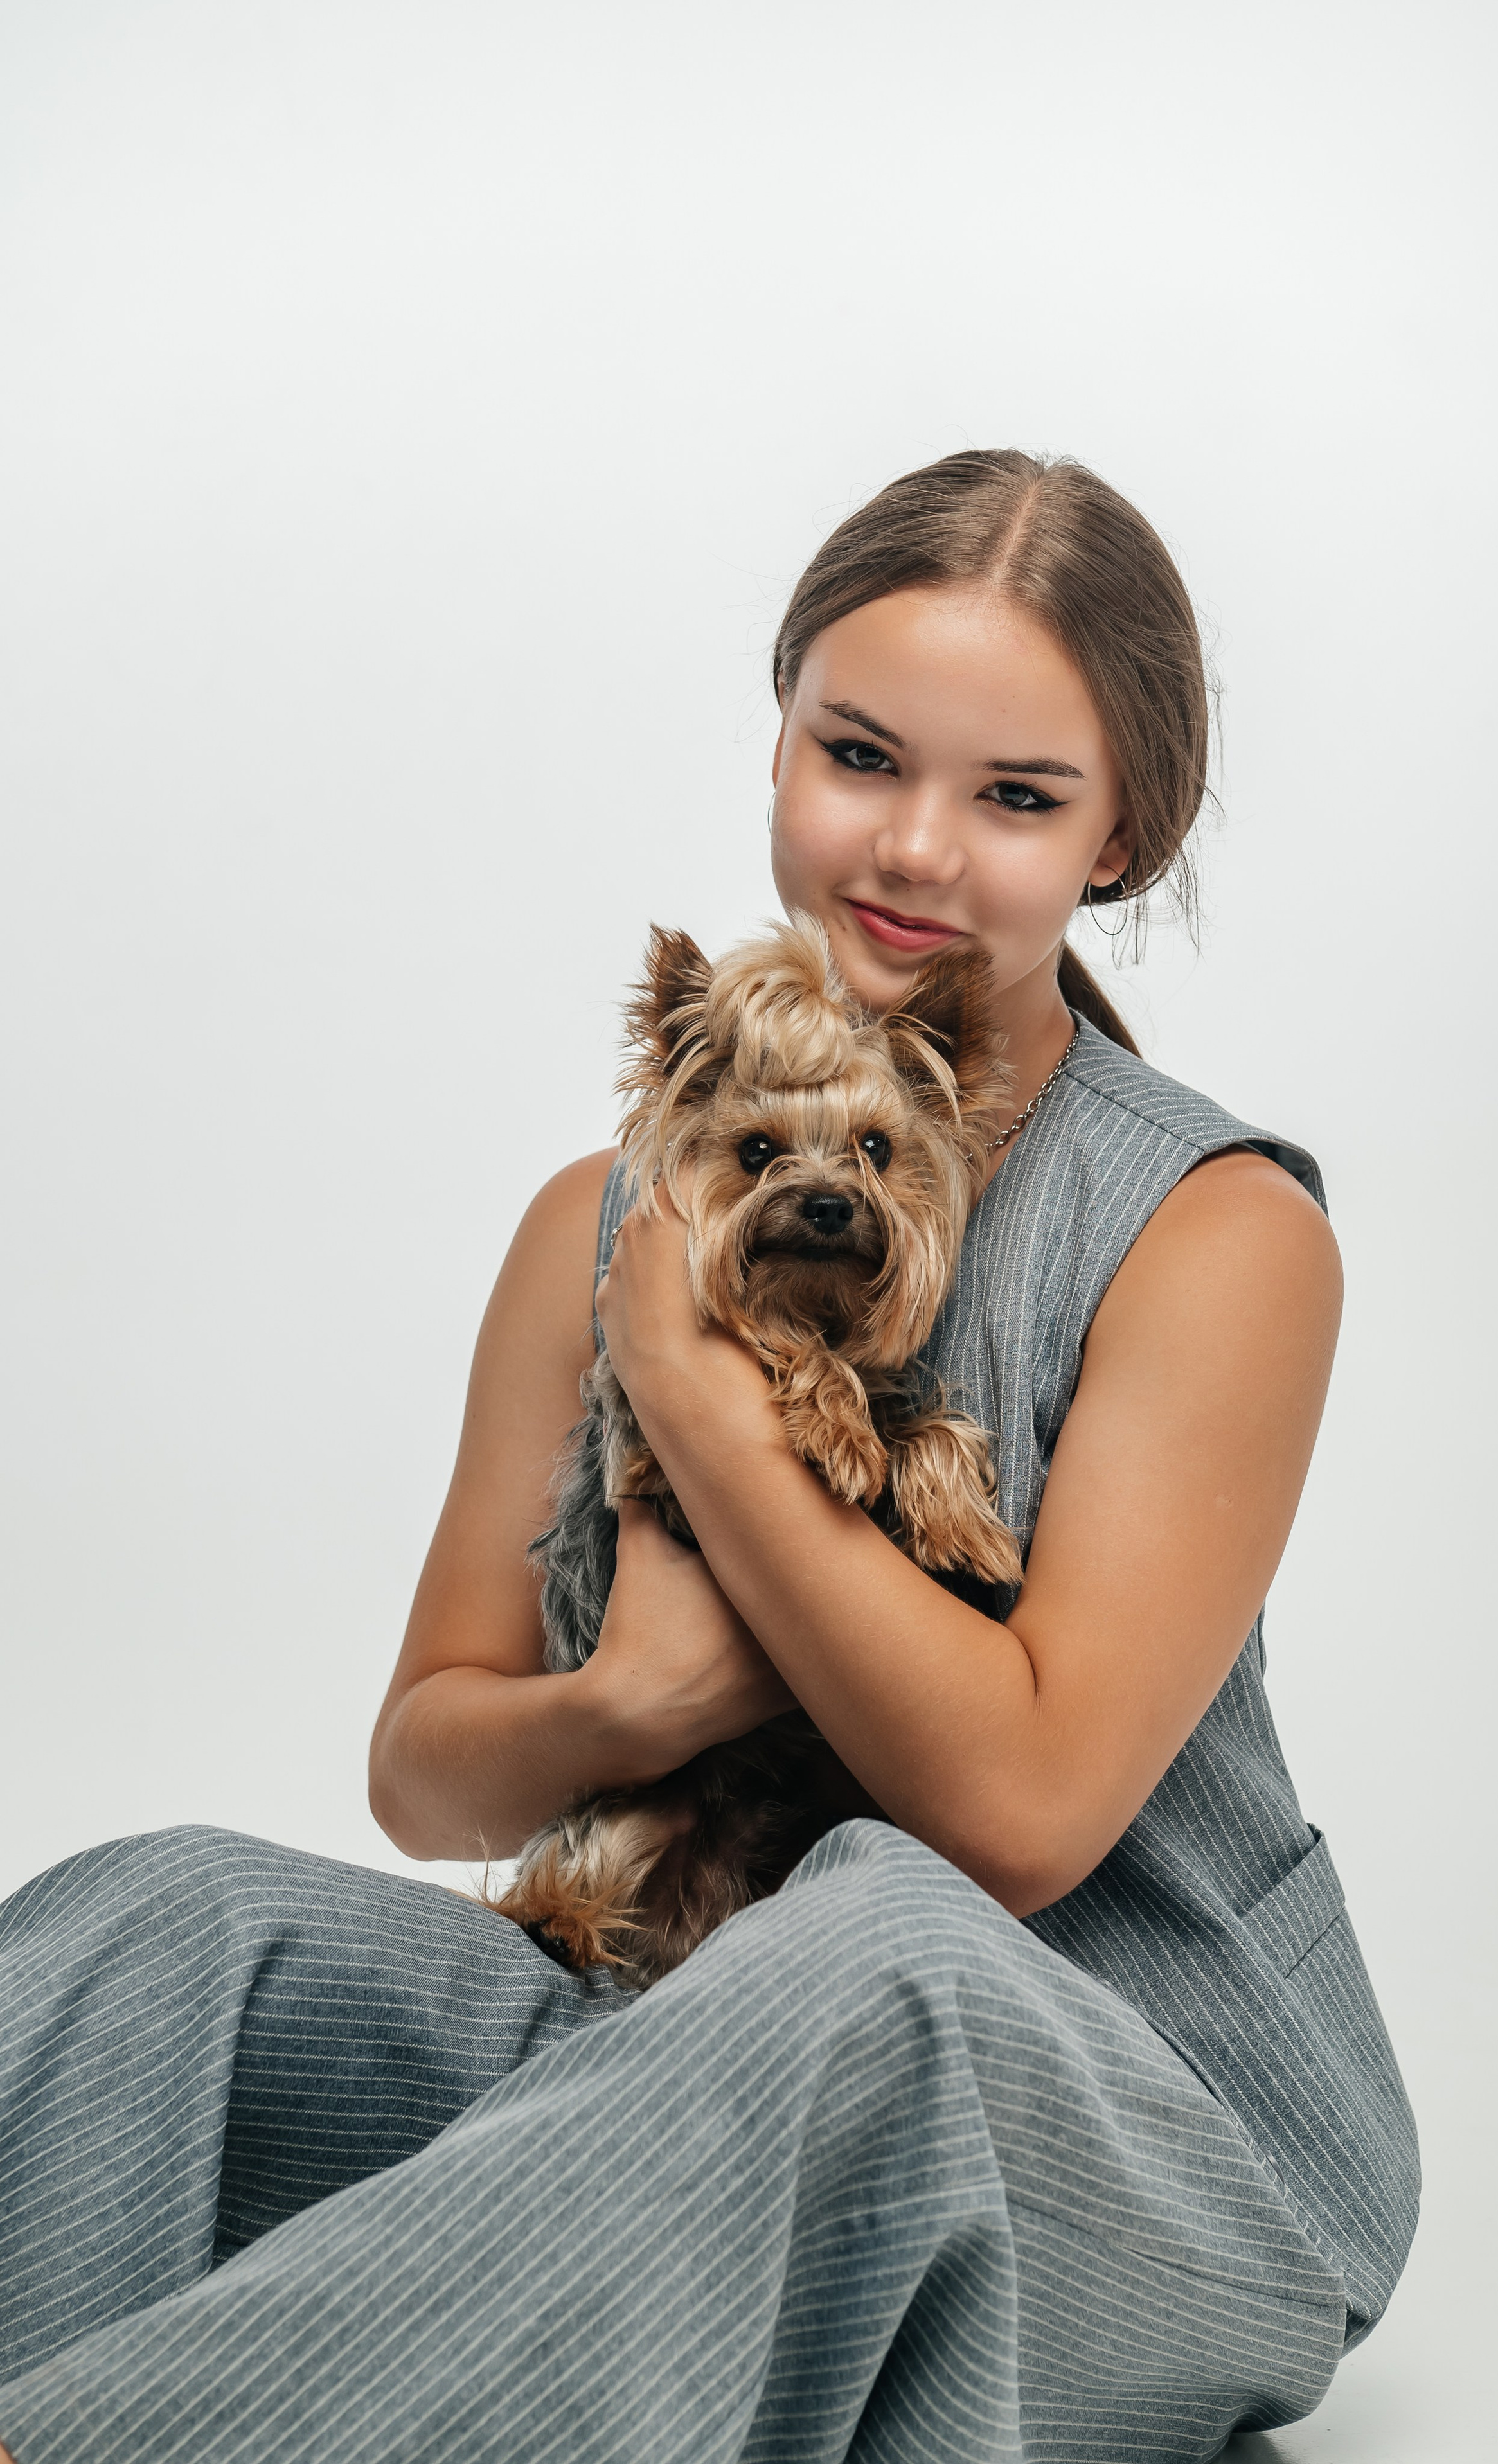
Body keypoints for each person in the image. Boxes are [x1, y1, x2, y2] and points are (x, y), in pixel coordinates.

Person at [0, 450, 1418, 2464]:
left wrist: (686, 1389)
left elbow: (1015, 1820)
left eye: (1018, 797)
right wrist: (621, 1698)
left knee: (875, 1930)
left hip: (1154, 2135)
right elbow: (426, 1761)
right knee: (162, 1917)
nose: (916, 846)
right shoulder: (596, 1208)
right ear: (777, 744)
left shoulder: (1216, 1232)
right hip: (675, 2043)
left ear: (1123, 837)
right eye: (859, 752)